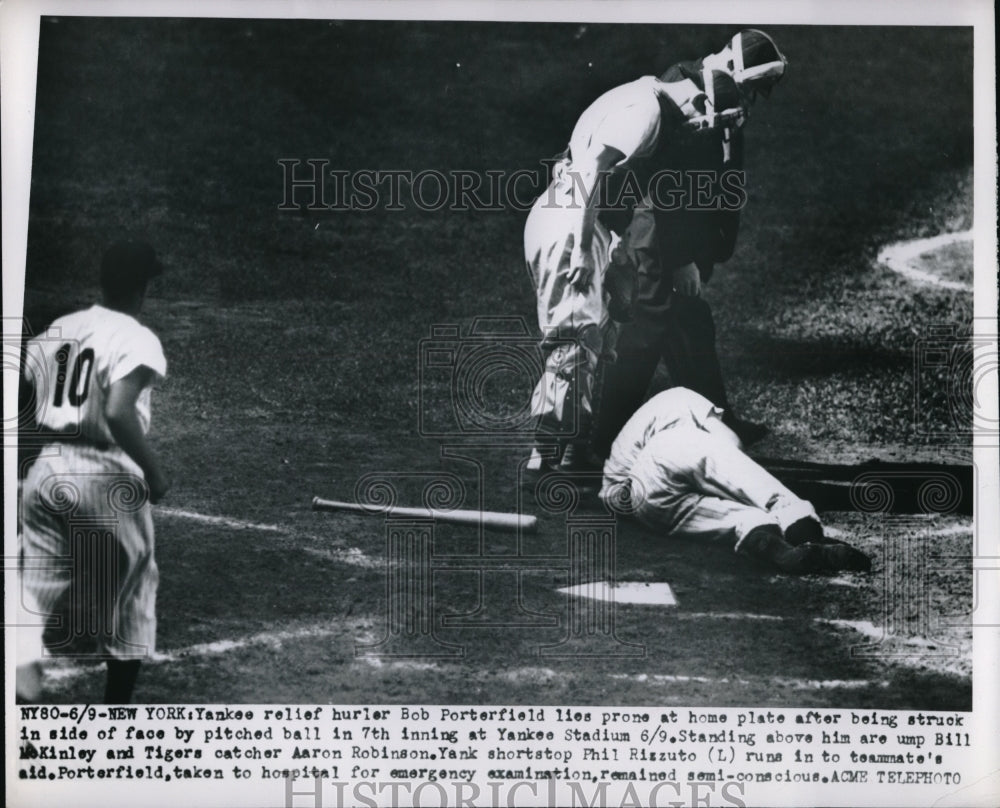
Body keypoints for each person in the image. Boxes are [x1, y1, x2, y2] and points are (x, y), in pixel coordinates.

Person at [525, 67, 747, 473]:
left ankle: (573, 453)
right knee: (575, 344)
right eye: (706, 122)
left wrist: (615, 247)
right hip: (573, 222)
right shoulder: (647, 111)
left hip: (592, 224)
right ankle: (544, 459)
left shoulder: (656, 103)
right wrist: (581, 249)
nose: (702, 132)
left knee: (599, 339)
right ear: (699, 101)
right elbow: (591, 170)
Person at [591, 30, 788, 457]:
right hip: (657, 230)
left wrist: (711, 246)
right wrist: (682, 260)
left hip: (676, 232)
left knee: (690, 324)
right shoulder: (683, 88)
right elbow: (665, 186)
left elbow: (721, 172)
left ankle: (716, 422)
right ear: (735, 69)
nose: (755, 98)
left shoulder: (723, 91)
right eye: (755, 86)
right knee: (648, 327)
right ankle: (603, 438)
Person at [16, 241, 171, 703]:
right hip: (106, 477)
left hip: (47, 470)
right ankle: (115, 719)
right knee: (131, 598)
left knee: (29, 597)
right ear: (142, 287)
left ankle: (19, 702)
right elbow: (120, 412)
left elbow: (25, 392)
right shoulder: (136, 337)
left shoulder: (63, 327)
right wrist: (155, 474)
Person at [601, 387, 872, 574]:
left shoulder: (651, 415)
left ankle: (776, 548)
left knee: (735, 518)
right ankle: (805, 529)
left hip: (640, 507)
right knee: (755, 486)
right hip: (660, 455)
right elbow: (731, 444)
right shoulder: (684, 397)